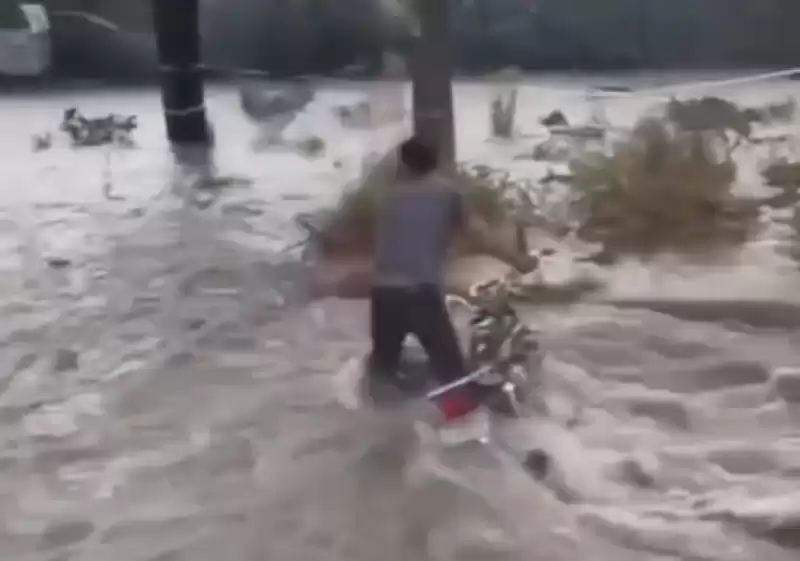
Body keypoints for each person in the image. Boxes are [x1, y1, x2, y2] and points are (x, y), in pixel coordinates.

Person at [369, 136, 538, 421]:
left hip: (383, 295)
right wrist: (519, 260)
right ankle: (465, 433)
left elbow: (398, 243)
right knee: (452, 376)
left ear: (403, 163)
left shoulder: (388, 196)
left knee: (383, 375)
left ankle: (379, 434)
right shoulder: (446, 193)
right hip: (420, 294)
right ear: (437, 163)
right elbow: (479, 235)